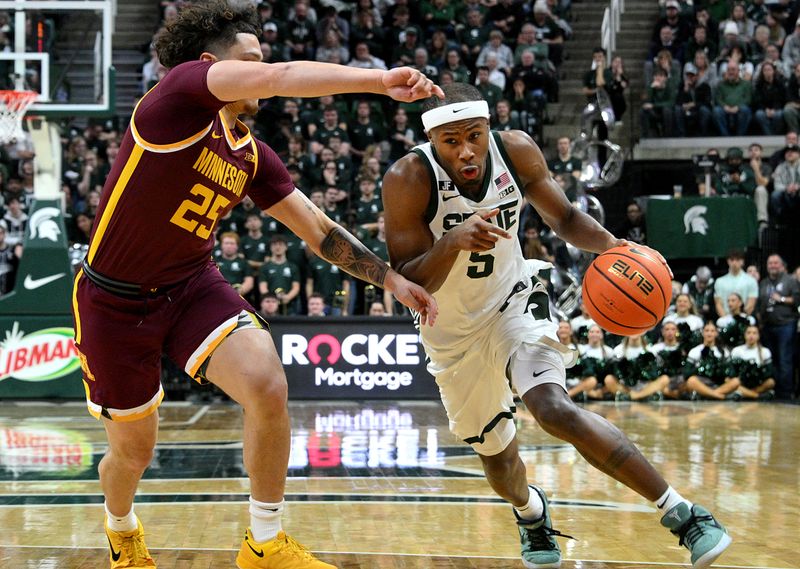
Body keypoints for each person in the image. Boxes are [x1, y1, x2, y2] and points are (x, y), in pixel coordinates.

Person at [70, 3, 441, 569]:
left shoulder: (249, 154)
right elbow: (281, 76)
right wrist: (377, 81)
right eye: (249, 60)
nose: (260, 71)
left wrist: (388, 277)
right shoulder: (174, 98)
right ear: (209, 66)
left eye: (261, 60)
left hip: (191, 286)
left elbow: (319, 230)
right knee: (134, 450)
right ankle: (121, 527)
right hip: (114, 301)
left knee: (268, 385)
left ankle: (264, 543)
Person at [381, 83, 731, 569]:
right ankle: (531, 513)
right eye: (451, 141)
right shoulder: (407, 178)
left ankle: (683, 513)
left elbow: (564, 217)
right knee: (500, 465)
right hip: (451, 332)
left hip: (513, 300)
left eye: (474, 136)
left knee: (552, 408)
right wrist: (453, 241)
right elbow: (411, 280)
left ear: (488, 128)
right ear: (432, 140)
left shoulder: (516, 150)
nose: (466, 151)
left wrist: (614, 247)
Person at [757, 254, 798, 399]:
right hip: (768, 326)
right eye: (770, 263)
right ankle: (773, 390)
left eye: (775, 263)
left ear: (781, 265)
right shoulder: (764, 282)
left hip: (785, 325)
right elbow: (760, 303)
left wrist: (780, 299)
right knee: (771, 359)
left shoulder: (790, 281)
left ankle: (785, 393)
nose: (773, 266)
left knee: (784, 359)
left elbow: (797, 300)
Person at [714, 249, 758, 317]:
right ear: (728, 261)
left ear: (742, 261)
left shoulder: (751, 281)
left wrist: (741, 319)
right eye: (732, 260)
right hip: (725, 319)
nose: (734, 263)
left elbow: (751, 304)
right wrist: (726, 320)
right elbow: (718, 304)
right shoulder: (719, 281)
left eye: (737, 260)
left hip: (744, 319)